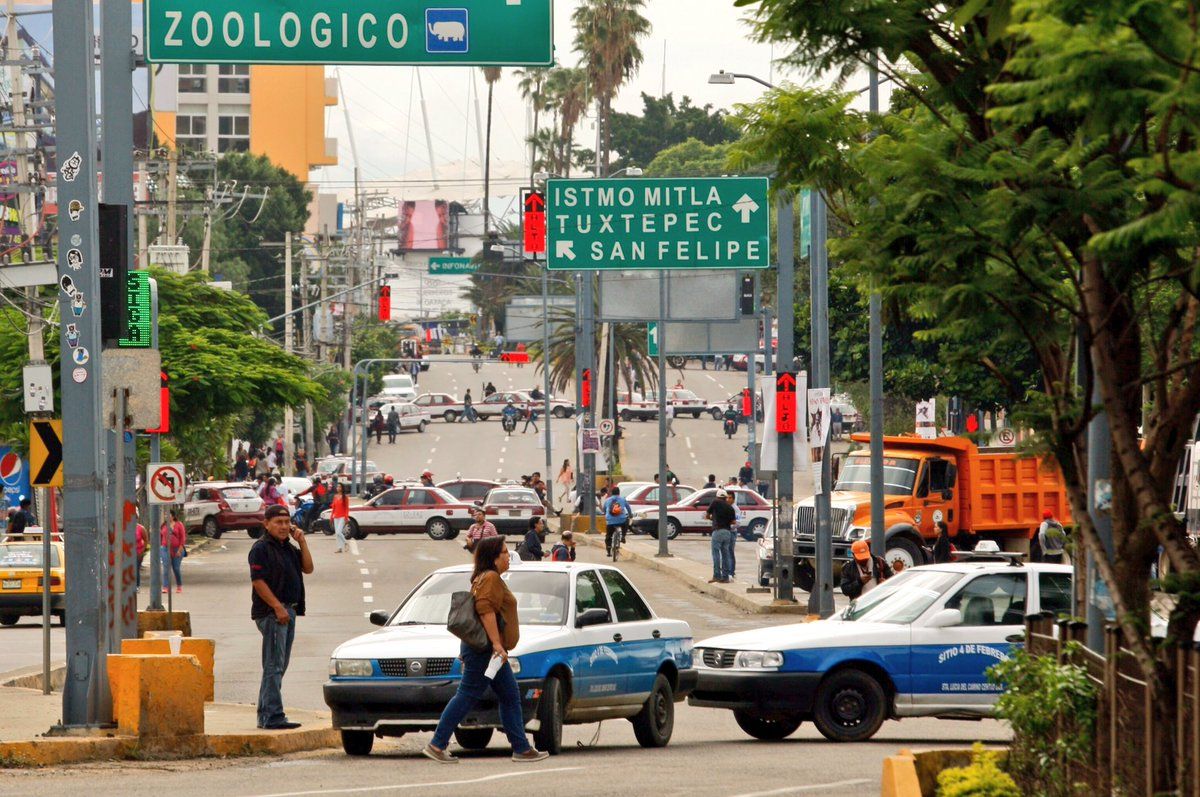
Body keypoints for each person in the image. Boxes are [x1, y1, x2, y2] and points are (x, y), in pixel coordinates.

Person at [423, 536, 548, 764]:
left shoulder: (487, 577)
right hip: (486, 651)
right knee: (467, 694)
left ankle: (521, 748)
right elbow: (484, 610)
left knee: (509, 696)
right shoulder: (490, 577)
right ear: (493, 557)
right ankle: (437, 743)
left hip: (486, 651)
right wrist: (497, 645)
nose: (508, 556)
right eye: (504, 553)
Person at [249, 504, 313, 730]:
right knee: (274, 666)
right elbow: (258, 581)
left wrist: (302, 541)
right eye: (278, 522)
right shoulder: (261, 549)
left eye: (287, 522)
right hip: (273, 614)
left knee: (278, 666)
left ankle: (265, 714)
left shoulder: (289, 548)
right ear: (266, 524)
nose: (284, 527)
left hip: (289, 611)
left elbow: (308, 568)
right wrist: (277, 607)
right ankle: (273, 716)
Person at [705, 489, 736, 584]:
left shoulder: (715, 502)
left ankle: (717, 575)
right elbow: (733, 522)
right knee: (726, 554)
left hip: (717, 531)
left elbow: (707, 515)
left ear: (717, 497)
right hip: (727, 532)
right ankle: (725, 577)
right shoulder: (730, 508)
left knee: (716, 553)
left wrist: (712, 518)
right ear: (726, 497)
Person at [161, 509, 187, 594]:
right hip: (165, 548)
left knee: (176, 568)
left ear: (172, 516)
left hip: (177, 549)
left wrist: (180, 550)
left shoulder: (179, 525)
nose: (166, 516)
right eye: (165, 515)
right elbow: (161, 536)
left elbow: (183, 538)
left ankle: (179, 585)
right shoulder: (164, 525)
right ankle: (165, 586)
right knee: (166, 567)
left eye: (168, 515)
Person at [602, 486, 632, 558]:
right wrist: (630, 515)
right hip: (621, 520)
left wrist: (605, 514)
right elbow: (628, 508)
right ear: (619, 493)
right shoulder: (623, 499)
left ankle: (609, 551)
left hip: (610, 521)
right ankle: (623, 536)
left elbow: (604, 509)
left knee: (608, 536)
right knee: (626, 520)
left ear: (612, 493)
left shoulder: (607, 500)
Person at [330, 483, 350, 554]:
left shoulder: (345, 497)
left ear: (342, 488)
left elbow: (347, 508)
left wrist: (346, 517)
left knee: (339, 532)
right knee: (337, 534)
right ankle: (340, 548)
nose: (338, 488)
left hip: (342, 517)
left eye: (339, 487)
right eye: (337, 486)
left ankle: (346, 543)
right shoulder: (335, 496)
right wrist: (331, 517)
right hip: (336, 517)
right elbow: (333, 508)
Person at [135, 518, 147, 589]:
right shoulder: (124, 527)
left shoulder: (141, 528)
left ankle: (137, 585)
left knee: (136, 568)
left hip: (138, 552)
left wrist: (142, 551)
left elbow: (146, 540)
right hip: (128, 552)